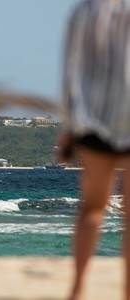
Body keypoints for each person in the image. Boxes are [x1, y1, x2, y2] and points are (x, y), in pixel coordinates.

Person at [58, 0, 130, 299]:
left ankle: (78, 288)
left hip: (92, 120)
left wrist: (68, 126)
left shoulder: (83, 11)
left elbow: (71, 72)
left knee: (92, 208)